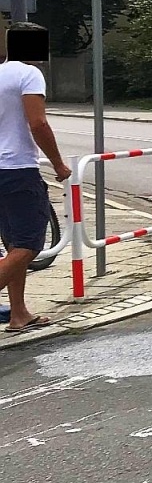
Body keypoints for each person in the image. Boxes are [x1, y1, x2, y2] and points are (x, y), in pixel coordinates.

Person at [0, 26, 72, 334]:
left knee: (13, 245)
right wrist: (59, 164)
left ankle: (19, 314)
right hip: (16, 171)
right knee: (29, 245)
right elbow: (38, 123)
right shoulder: (28, 75)